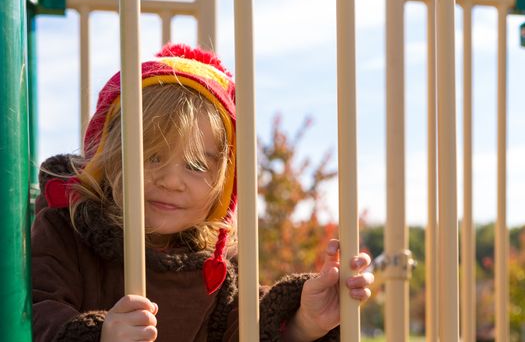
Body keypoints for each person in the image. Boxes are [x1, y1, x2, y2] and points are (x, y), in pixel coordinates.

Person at [31, 43, 374, 342]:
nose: (171, 181)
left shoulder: (216, 265)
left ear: (223, 183)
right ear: (111, 155)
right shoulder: (68, 228)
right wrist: (100, 334)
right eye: (151, 156)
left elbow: (246, 329)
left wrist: (305, 323)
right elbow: (34, 310)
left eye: (195, 166)